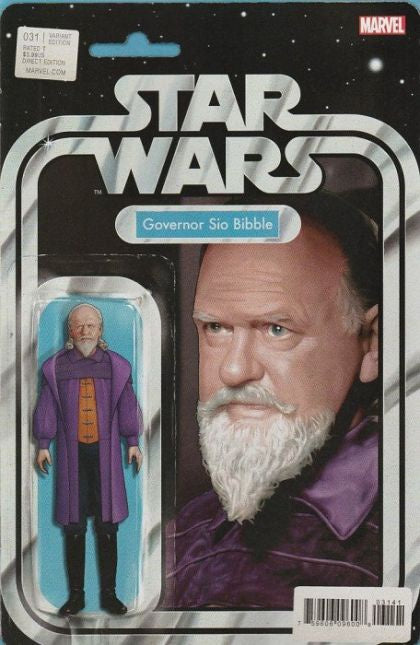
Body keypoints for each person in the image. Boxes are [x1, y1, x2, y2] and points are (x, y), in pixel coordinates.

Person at [166, 195, 380, 609]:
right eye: (216, 327)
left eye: (276, 330)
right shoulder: (181, 538)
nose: (233, 370)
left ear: (372, 342)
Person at [33, 303, 143, 616]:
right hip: (72, 459)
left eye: (91, 325)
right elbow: (46, 407)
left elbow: (128, 405)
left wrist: (132, 441)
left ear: (100, 330)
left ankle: (109, 595)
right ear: (70, 331)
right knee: (74, 526)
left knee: (108, 525)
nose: (85, 331)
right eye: (79, 326)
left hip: (106, 458)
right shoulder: (56, 368)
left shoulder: (116, 367)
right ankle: (76, 597)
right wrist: (44, 443)